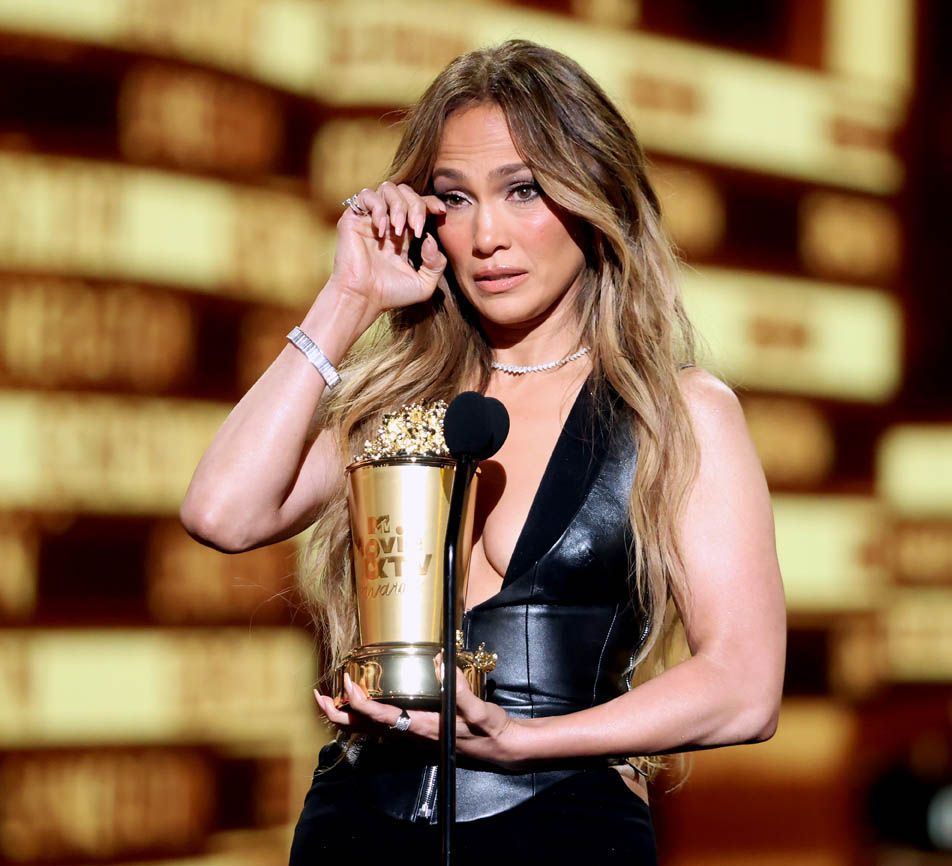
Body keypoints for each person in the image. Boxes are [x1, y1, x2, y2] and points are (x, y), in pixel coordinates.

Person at [180, 40, 785, 865]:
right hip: (357, 827)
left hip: (563, 830)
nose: (486, 235)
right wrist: (347, 298)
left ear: (595, 194)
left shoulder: (675, 412)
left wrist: (522, 743)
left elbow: (745, 688)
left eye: (523, 189)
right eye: (454, 198)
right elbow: (221, 513)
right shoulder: (398, 404)